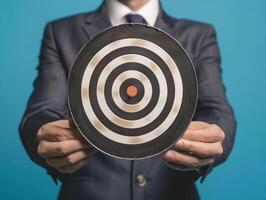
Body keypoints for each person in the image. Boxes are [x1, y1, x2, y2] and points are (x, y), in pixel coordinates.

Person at [19, 0, 236, 199]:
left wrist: (212, 139)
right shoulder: (61, 32)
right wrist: (45, 137)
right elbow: (42, 111)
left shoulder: (199, 34)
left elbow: (216, 111)